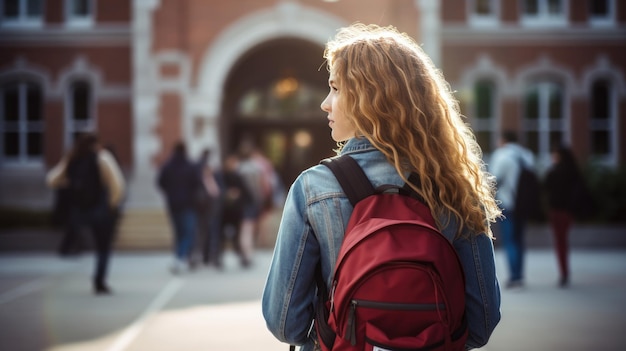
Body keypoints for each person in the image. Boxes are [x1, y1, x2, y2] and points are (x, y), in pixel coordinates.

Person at [262, 23, 501, 350]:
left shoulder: (313, 188)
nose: (325, 103)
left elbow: (285, 323)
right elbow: (480, 324)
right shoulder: (453, 185)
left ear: (368, 98)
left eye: (335, 88)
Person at [46, 133, 125, 295]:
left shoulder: (72, 158)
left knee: (91, 241)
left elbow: (51, 180)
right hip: (101, 210)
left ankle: (71, 249)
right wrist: (112, 205)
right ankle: (99, 281)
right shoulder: (102, 158)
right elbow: (118, 185)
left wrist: (69, 183)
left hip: (81, 211)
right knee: (103, 248)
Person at [490, 130, 535, 289]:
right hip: (524, 204)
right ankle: (520, 274)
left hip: (508, 203)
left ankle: (514, 276)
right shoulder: (527, 155)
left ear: (503, 140)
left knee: (509, 241)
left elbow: (493, 180)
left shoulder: (501, 155)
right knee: (520, 240)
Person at [157, 141, 203, 274]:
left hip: (173, 204)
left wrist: (170, 192)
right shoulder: (190, 166)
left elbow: (160, 182)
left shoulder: (168, 166)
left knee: (179, 233)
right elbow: (197, 183)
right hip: (188, 204)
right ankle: (180, 257)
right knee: (188, 233)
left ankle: (180, 256)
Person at [544, 144, 583, 288]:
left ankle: (564, 272)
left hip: (557, 211)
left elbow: (546, 186)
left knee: (560, 242)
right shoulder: (573, 171)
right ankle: (565, 271)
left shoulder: (554, 172)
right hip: (568, 212)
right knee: (563, 241)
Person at [215, 153, 255, 268]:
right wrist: (227, 194)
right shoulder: (220, 176)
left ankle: (243, 258)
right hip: (223, 211)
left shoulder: (238, 177)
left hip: (237, 211)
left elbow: (247, 194)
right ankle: (218, 258)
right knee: (221, 236)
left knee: (237, 236)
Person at [194, 148, 222, 267]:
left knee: (213, 234)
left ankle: (212, 257)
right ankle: (202, 256)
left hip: (214, 209)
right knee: (202, 233)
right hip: (203, 209)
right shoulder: (200, 181)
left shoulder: (215, 178)